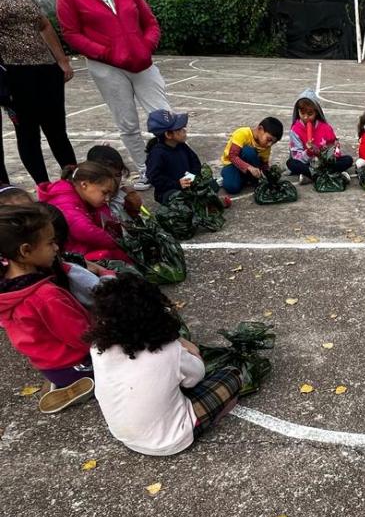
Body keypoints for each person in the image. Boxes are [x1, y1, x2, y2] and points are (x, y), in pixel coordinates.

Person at [86, 273, 243, 456]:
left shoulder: (98, 348)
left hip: (126, 437)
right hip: (173, 440)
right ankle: (209, 418)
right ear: (154, 312)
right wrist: (183, 343)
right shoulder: (169, 350)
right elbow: (197, 376)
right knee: (233, 375)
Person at [57, 0, 169, 190]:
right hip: (106, 67)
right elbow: (71, 33)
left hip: (141, 62)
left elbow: (150, 22)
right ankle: (146, 169)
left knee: (164, 116)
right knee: (127, 121)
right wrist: (106, 52)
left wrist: (145, 46)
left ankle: (171, 163)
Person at [0, 204, 96, 413]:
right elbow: (83, 338)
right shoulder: (45, 295)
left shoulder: (7, 289)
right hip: (73, 365)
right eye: (50, 243)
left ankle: (63, 383)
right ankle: (84, 386)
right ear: (25, 251)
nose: (56, 248)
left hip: (50, 366)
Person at [0, 0, 77, 184]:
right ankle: (44, 186)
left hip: (46, 68)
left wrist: (61, 60)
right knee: (27, 131)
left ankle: (75, 180)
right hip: (13, 71)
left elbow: (44, 25)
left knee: (57, 128)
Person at [36, 162, 131, 263]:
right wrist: (119, 242)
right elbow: (85, 231)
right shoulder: (65, 201)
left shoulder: (85, 197)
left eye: (109, 195)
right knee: (115, 254)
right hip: (69, 254)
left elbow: (106, 218)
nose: (107, 199)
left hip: (77, 246)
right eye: (104, 192)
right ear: (84, 185)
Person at [286, 91, 352, 184]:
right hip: (308, 163)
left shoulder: (325, 127)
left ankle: (312, 176)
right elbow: (296, 157)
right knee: (291, 163)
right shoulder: (295, 130)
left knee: (348, 160)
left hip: (324, 162)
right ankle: (331, 174)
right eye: (302, 113)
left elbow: (335, 148)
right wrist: (309, 152)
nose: (306, 117)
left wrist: (331, 152)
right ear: (298, 111)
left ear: (316, 112)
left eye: (310, 114)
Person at [145, 109, 201, 204]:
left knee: (210, 186)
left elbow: (195, 162)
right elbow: (154, 177)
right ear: (168, 134)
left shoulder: (182, 145)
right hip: (169, 191)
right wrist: (177, 184)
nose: (184, 130)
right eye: (179, 129)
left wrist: (192, 176)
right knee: (179, 200)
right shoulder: (157, 153)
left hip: (188, 184)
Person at [220, 117, 283, 194]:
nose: (269, 144)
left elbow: (264, 164)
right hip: (232, 165)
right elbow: (232, 156)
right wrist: (249, 167)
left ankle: (244, 178)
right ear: (260, 129)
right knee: (232, 187)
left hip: (251, 169)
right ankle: (236, 176)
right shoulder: (243, 133)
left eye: (273, 142)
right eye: (269, 139)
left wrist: (269, 174)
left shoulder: (266, 147)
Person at [86, 144, 144, 222]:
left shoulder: (124, 196)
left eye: (118, 175)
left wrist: (134, 207)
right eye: (108, 176)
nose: (113, 181)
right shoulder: (90, 200)